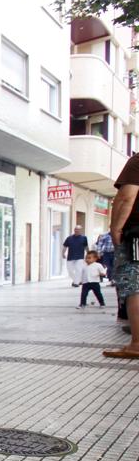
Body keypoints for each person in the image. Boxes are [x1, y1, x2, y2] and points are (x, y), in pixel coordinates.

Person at [104, 153, 139, 359]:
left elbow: (127, 196)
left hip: (136, 235)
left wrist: (116, 227)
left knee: (135, 286)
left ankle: (137, 343)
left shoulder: (137, 161)